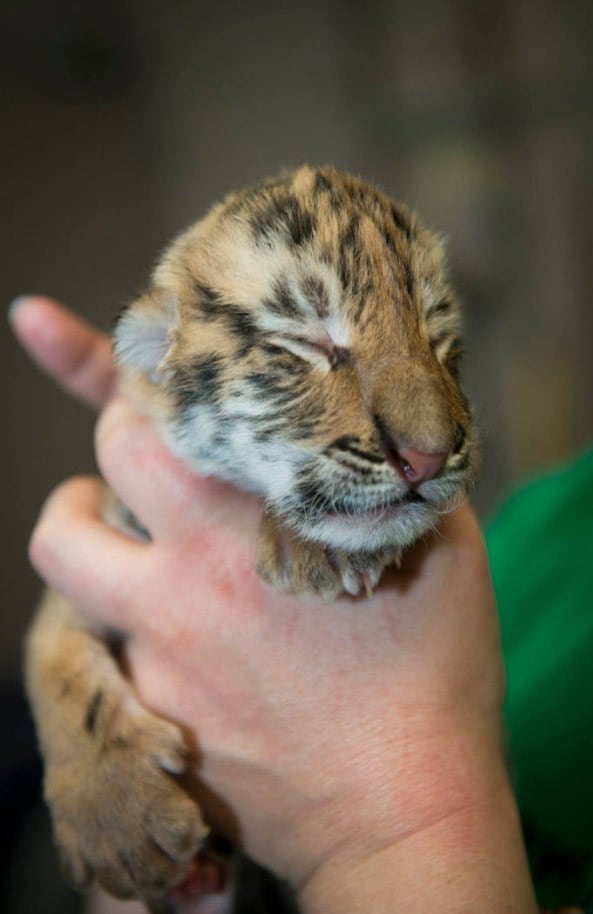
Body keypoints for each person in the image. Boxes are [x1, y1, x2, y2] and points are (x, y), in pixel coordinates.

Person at [12, 294, 546, 914]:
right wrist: (103, 770)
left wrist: (401, 836)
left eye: (438, 344)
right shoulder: (550, 515)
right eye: (305, 347)